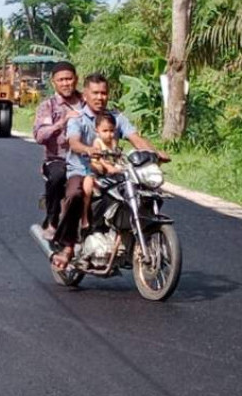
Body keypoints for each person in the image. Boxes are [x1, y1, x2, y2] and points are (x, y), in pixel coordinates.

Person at [51, 73, 170, 270]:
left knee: (143, 192)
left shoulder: (116, 118)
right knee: (75, 194)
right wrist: (88, 149)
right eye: (95, 93)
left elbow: (135, 138)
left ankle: (128, 237)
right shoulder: (78, 118)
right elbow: (73, 142)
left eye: (104, 93)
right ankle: (68, 246)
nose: (100, 97)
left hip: (113, 172)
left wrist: (154, 153)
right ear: (86, 95)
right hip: (82, 169)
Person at [33, 61, 84, 240]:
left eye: (69, 79)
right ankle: (52, 221)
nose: (65, 83)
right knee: (57, 177)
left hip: (88, 157)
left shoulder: (87, 102)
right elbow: (39, 136)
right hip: (58, 159)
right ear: (54, 82)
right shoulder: (48, 106)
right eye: (61, 80)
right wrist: (61, 123)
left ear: (76, 79)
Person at [81, 112, 121, 230]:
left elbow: (118, 156)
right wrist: (108, 167)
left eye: (112, 130)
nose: (109, 134)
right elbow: (100, 159)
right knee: (87, 189)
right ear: (97, 130)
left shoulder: (113, 142)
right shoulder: (97, 142)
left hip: (110, 173)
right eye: (105, 131)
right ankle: (84, 217)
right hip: (95, 171)